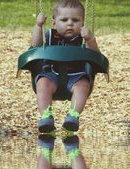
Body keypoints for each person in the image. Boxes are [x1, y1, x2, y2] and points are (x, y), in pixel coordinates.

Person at [32, 0, 100, 133]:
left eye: (75, 20)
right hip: (51, 74)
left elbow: (96, 55)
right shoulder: (50, 35)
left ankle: (73, 116)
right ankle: (46, 117)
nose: (70, 23)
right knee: (42, 83)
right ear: (53, 23)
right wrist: (39, 26)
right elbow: (35, 46)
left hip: (76, 76)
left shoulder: (83, 38)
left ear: (83, 23)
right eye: (64, 20)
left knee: (83, 86)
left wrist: (91, 39)